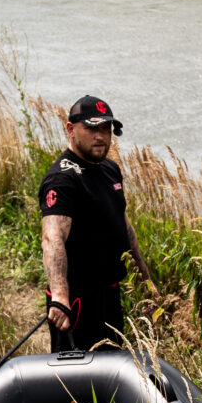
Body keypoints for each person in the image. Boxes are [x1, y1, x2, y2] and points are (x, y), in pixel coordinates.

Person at [39, 95, 154, 351]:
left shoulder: (110, 169)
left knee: (111, 367)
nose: (100, 136)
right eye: (92, 128)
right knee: (78, 374)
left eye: (105, 128)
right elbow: (52, 238)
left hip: (109, 296)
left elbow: (123, 225)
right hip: (75, 302)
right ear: (71, 129)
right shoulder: (62, 179)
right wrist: (60, 295)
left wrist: (145, 280)